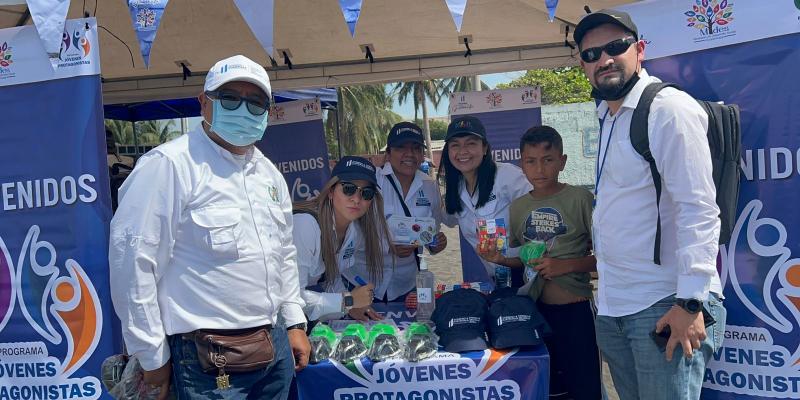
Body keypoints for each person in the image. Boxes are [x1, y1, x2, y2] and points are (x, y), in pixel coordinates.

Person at [109, 54, 310, 400]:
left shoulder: (269, 174)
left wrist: (293, 322)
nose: (244, 110)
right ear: (204, 103)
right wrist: (152, 354)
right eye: (231, 99)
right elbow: (132, 264)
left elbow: (284, 255)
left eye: (256, 102)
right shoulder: (169, 166)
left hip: (273, 349)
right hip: (205, 361)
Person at [574, 10, 726, 400]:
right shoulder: (608, 117)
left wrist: (691, 302)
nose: (603, 59)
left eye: (615, 47)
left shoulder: (667, 109)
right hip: (615, 305)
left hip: (665, 302)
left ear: (639, 50)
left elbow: (699, 208)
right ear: (582, 64)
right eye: (591, 54)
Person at [504, 126, 601, 399]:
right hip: (535, 313)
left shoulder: (581, 199)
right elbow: (523, 260)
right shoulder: (518, 207)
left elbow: (606, 259)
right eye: (530, 161)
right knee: (547, 389)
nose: (539, 169)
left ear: (562, 161)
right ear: (521, 164)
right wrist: (499, 259)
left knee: (584, 388)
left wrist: (566, 265)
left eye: (547, 160)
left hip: (576, 311)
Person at [293, 156, 393, 322]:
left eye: (366, 193)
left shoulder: (354, 231)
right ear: (331, 191)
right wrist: (349, 301)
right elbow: (292, 298)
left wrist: (351, 308)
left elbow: (331, 278)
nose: (356, 199)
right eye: (348, 188)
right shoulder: (305, 225)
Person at [437, 115, 532, 287]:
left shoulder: (507, 176)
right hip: (498, 279)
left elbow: (538, 212)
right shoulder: (455, 189)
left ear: (485, 148)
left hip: (529, 273)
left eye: (471, 143)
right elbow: (447, 219)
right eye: (455, 145)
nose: (462, 151)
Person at [373, 122, 447, 302]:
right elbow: (354, 230)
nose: (409, 154)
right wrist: (387, 248)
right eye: (401, 148)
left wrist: (436, 244)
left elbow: (431, 231)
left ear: (422, 155)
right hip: (366, 284)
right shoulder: (373, 181)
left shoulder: (430, 186)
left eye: (415, 148)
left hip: (407, 287)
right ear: (388, 153)